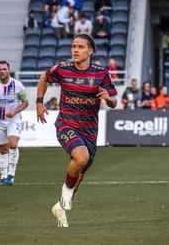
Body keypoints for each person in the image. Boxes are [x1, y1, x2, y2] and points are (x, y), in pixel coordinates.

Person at [36, 34, 117, 227]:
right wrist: (39, 103)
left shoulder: (101, 73)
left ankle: (60, 208)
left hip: (89, 129)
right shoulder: (62, 69)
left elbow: (114, 101)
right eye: (73, 46)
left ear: (90, 51)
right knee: (81, 158)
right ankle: (66, 192)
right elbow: (43, 78)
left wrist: (108, 98)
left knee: (80, 172)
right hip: (66, 124)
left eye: (81, 47)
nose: (75, 50)